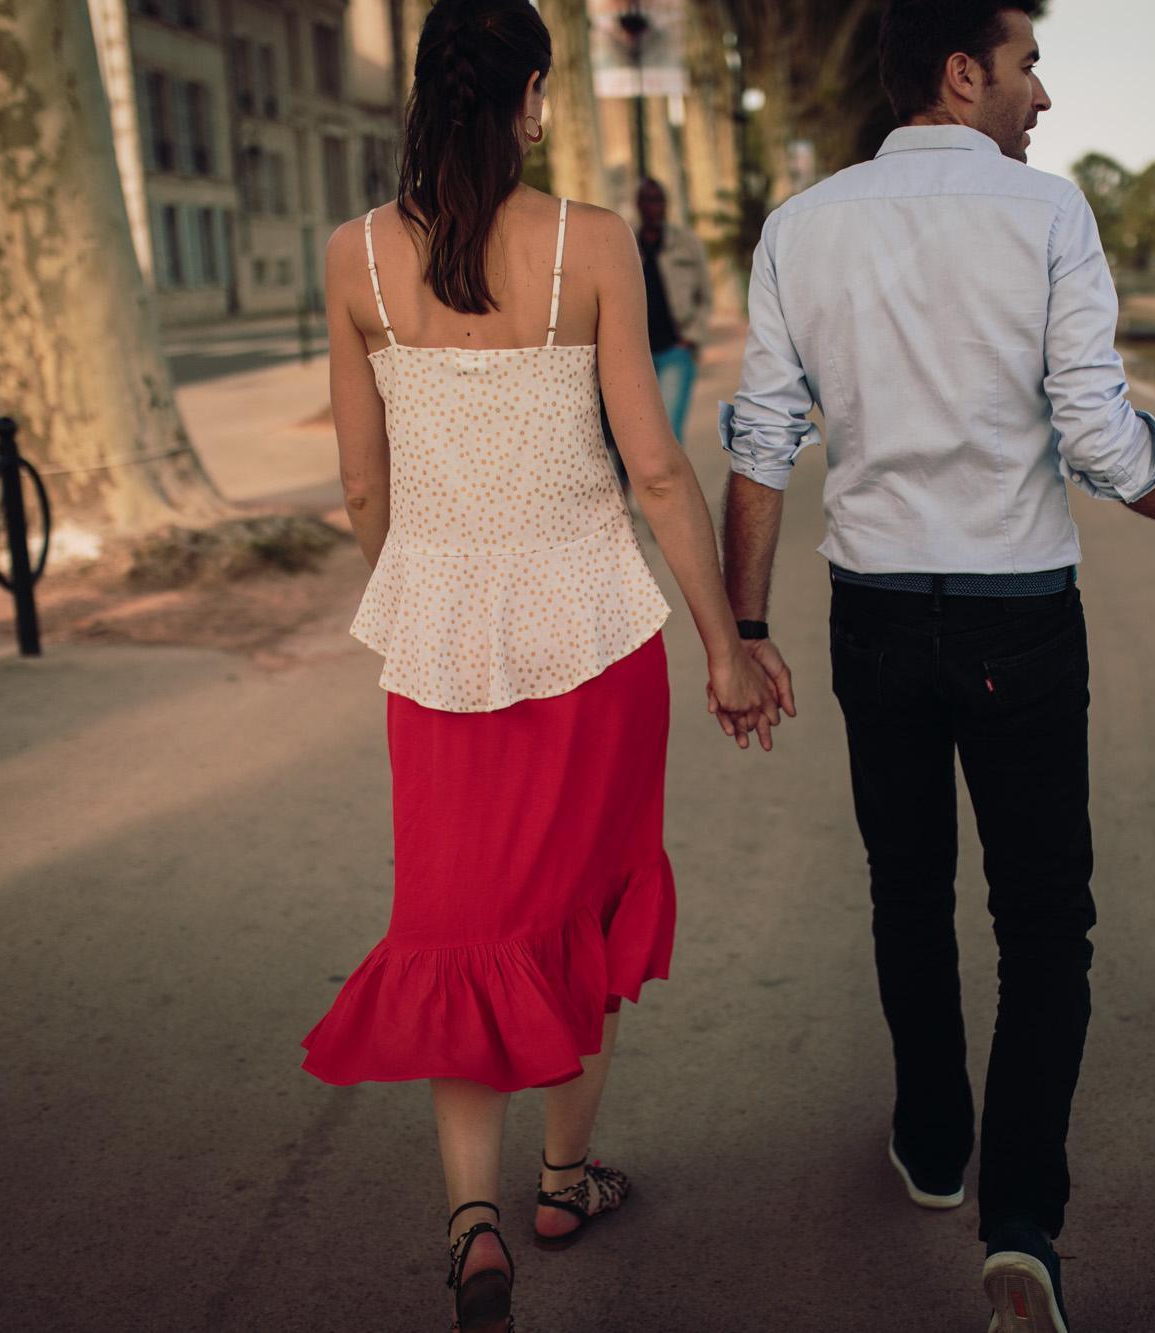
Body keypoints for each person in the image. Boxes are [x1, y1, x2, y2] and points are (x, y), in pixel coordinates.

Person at [717, 3, 1155, 1330]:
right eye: (1028, 66)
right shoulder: (1046, 214)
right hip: (1017, 614)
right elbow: (1098, 431)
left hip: (874, 613)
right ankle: (1021, 1225)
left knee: (908, 888)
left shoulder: (803, 226)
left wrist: (750, 626)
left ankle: (935, 1145)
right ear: (964, 73)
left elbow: (765, 439)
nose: (1044, 97)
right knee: (1045, 920)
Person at [299, 3, 780, 1330]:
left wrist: (426, 588)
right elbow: (661, 468)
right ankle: (565, 1179)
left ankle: (473, 1226)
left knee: (459, 923)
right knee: (588, 907)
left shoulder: (353, 260)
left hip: (440, 644)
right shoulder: (595, 245)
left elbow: (359, 480)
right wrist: (728, 645)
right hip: (595, 633)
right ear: (524, 99)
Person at [634, 177, 713, 443]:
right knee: (639, 433)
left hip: (675, 350)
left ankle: (669, 485)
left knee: (668, 432)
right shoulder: (627, 244)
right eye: (647, 200)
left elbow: (705, 293)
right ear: (639, 205)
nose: (654, 207)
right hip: (637, 354)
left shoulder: (685, 243)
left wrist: (691, 338)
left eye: (658, 200)